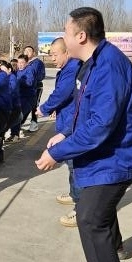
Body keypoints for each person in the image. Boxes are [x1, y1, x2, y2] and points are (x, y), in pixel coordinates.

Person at [35, 7, 132, 262]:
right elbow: (86, 111)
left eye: (65, 31)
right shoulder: (91, 64)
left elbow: (101, 126)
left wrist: (56, 153)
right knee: (95, 212)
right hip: (108, 154)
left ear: (80, 35)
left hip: (119, 155)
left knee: (90, 219)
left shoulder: (108, 67)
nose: (61, 37)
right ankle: (116, 251)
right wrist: (65, 134)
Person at [36, 37, 81, 226]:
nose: (52, 58)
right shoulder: (68, 67)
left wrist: (44, 108)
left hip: (73, 124)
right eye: (50, 55)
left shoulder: (73, 68)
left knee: (76, 166)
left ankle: (81, 210)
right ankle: (74, 195)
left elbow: (62, 92)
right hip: (68, 119)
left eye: (55, 54)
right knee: (71, 164)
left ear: (67, 52)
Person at [23, 44, 46, 131]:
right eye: (25, 51)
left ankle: (34, 123)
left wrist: (31, 82)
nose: (27, 52)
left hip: (36, 87)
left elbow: (41, 75)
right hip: (25, 88)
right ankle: (20, 122)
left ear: (34, 53)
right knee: (25, 104)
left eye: (29, 51)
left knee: (34, 105)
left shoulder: (38, 63)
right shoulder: (23, 62)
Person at [0, 60, 22, 143]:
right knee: (1, 127)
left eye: (3, 70)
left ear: (9, 69)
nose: (1, 73)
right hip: (8, 107)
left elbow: (10, 92)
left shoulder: (12, 78)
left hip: (13, 108)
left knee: (2, 127)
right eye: (0, 70)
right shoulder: (4, 78)